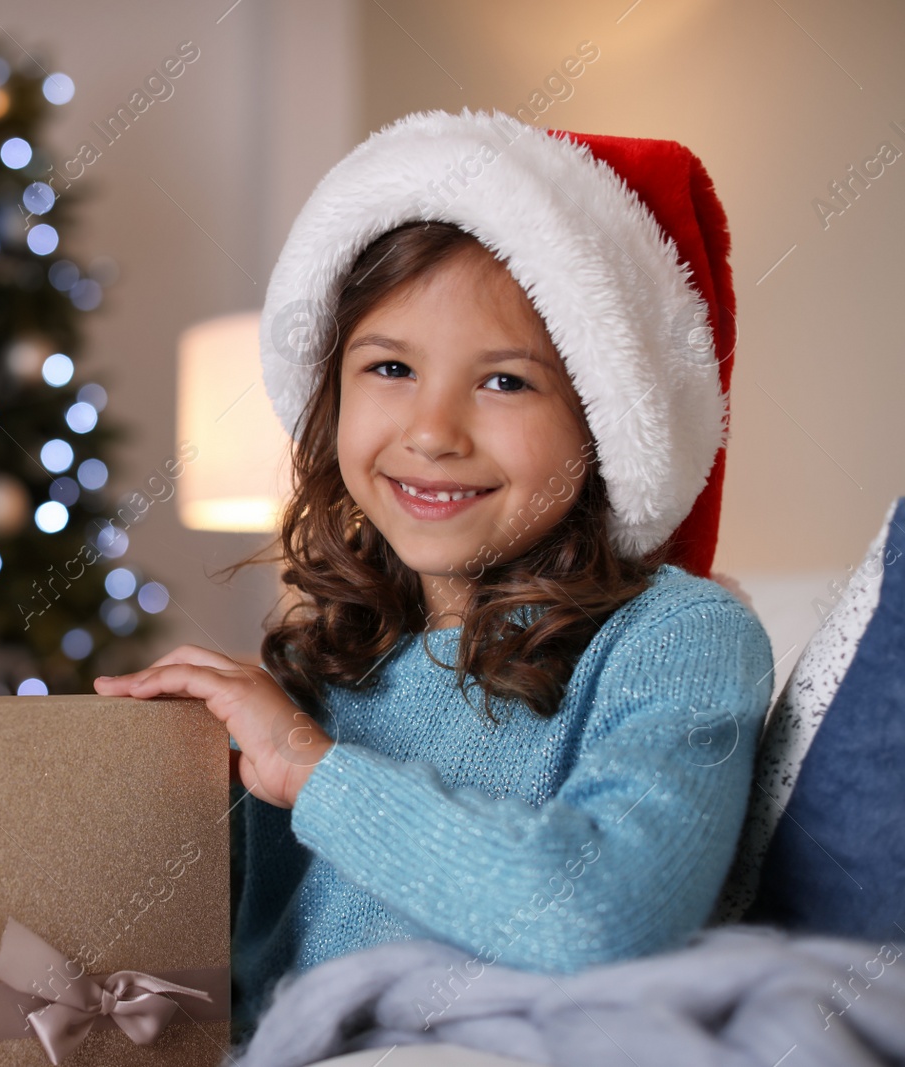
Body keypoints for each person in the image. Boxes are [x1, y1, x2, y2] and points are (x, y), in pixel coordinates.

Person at [93, 108, 775, 1041]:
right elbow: (241, 978)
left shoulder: (676, 638)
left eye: (506, 381)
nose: (431, 432)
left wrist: (312, 770)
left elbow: (604, 918)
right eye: (390, 367)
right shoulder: (323, 661)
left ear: (607, 423)